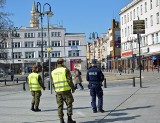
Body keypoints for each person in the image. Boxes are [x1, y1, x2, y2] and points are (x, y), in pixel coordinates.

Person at [51, 58, 76, 123]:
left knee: (60, 105)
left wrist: (56, 89)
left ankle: (61, 120)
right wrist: (72, 88)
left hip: (58, 91)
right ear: (62, 63)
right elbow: (69, 80)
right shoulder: (65, 70)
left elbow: (52, 82)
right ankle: (69, 119)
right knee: (69, 104)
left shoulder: (53, 71)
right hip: (66, 90)